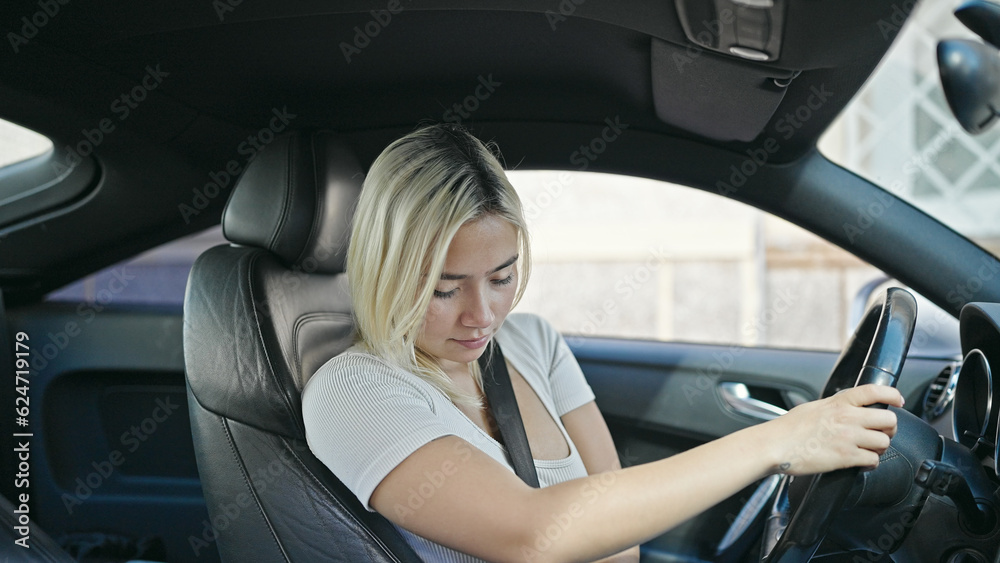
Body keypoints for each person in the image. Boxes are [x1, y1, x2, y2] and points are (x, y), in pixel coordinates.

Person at [301, 123, 902, 563]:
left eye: (503, 277)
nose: (482, 316)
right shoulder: (353, 393)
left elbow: (619, 539)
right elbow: (533, 534)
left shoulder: (530, 342)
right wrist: (779, 440)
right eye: (443, 289)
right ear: (387, 269)